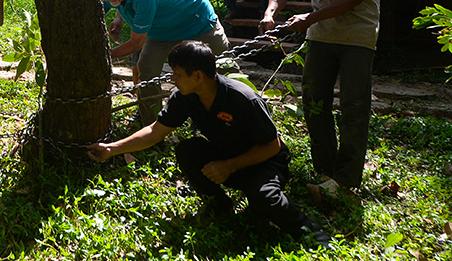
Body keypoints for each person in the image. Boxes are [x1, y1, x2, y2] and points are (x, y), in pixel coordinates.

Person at [86, 41, 331, 249]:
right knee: (187, 150)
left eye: (177, 74)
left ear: (198, 76)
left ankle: (313, 233)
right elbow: (154, 131)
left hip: (263, 162)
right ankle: (219, 207)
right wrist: (112, 148)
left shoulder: (242, 98)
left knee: (265, 200)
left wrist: (230, 166)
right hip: (225, 155)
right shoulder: (185, 96)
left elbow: (272, 147)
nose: (173, 79)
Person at [258, 0, 380, 207]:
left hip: (357, 38)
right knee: (314, 103)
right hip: (321, 37)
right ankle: (326, 172)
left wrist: (309, 17)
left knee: (354, 108)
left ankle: (346, 180)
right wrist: (271, 11)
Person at [99, 0, 230, 125]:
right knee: (146, 70)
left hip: (197, 22)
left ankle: (244, 108)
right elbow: (95, 11)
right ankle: (150, 124)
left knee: (224, 66)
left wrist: (103, 57)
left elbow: (135, 44)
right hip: (162, 31)